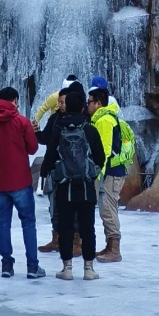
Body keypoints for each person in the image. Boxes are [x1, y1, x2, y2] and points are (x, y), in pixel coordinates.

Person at [0, 86, 46, 279]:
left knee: (3, 223)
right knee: (28, 222)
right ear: (16, 100)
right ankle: (32, 267)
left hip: (0, 183)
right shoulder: (22, 122)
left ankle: (6, 265)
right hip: (21, 182)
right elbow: (33, 149)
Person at [41, 82, 105, 281]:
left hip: (64, 187)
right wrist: (92, 173)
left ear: (66, 106)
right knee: (88, 228)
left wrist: (49, 174)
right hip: (86, 187)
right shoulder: (90, 129)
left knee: (66, 228)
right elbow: (101, 157)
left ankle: (67, 268)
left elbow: (49, 157)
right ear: (83, 108)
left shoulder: (58, 129)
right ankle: (88, 269)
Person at [36, 89, 81, 255]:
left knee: (74, 207)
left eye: (63, 102)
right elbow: (46, 140)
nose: (60, 105)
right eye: (59, 102)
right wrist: (36, 132)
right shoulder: (55, 118)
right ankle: (56, 238)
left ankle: (76, 241)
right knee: (54, 204)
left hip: (75, 172)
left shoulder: (81, 122)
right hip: (56, 169)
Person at [87, 79, 127, 263]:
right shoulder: (106, 118)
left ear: (98, 104)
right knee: (107, 209)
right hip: (112, 172)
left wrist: (98, 175)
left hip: (109, 173)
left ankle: (114, 249)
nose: (87, 105)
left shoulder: (104, 121)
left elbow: (103, 151)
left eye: (89, 102)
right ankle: (109, 245)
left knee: (108, 210)